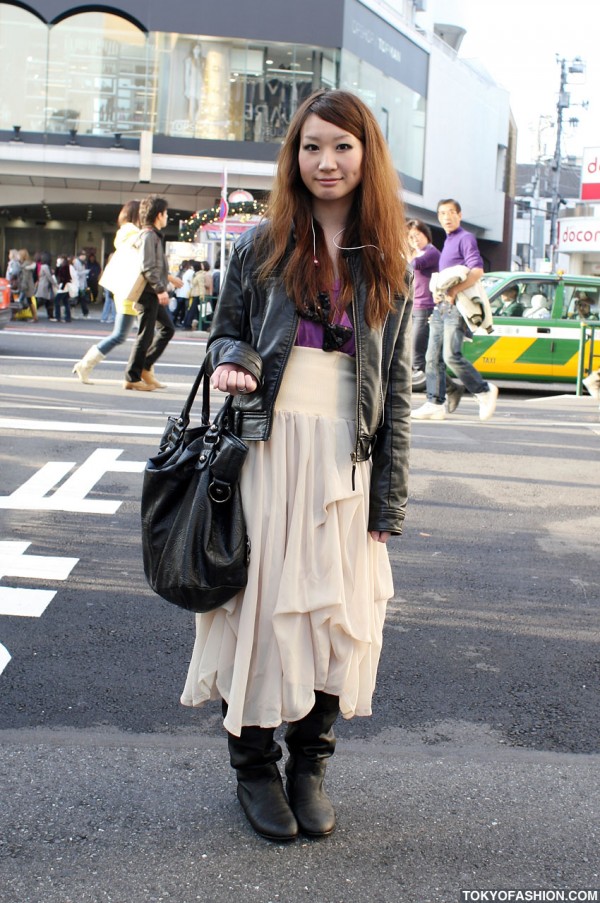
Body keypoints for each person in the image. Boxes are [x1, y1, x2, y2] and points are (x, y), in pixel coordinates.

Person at [180, 89, 412, 843]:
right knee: (259, 607)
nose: (326, 161)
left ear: (365, 154)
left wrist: (389, 500)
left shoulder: (390, 254)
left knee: (333, 613)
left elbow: (397, 391)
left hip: (346, 457)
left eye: (342, 146)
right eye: (312, 146)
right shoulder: (263, 242)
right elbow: (224, 336)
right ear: (295, 156)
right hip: (270, 449)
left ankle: (309, 764)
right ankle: (252, 766)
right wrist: (235, 362)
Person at [412, 198, 498, 421]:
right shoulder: (448, 241)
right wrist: (441, 293)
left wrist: (453, 292)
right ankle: (435, 403)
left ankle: (483, 389)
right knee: (432, 357)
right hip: (441, 306)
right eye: (442, 213)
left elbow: (477, 271)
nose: (446, 217)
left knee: (451, 356)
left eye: (451, 212)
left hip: (457, 306)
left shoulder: (465, 238)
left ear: (459, 215)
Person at [73, 201, 142, 384]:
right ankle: (86, 365)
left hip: (128, 290)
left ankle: (141, 374)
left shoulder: (126, 233)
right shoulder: (133, 234)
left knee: (145, 334)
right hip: (131, 291)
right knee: (122, 335)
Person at [123, 194, 175, 391]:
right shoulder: (148, 236)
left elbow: (154, 266)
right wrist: (161, 289)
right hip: (148, 293)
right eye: (166, 213)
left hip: (151, 292)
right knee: (145, 335)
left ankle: (144, 367)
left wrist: (169, 279)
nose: (167, 217)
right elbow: (147, 266)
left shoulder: (151, 235)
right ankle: (132, 376)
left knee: (167, 329)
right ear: (159, 215)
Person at [407, 218, 439, 388]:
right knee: (413, 348)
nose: (414, 240)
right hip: (414, 305)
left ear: (426, 234)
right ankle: (447, 387)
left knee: (417, 350)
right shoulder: (416, 253)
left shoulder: (431, 252)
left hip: (425, 307)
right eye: (411, 237)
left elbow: (414, 265)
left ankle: (430, 388)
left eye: (417, 235)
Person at [34, 251, 58, 320]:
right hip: (44, 287)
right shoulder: (45, 267)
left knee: (48, 301)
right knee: (42, 301)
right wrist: (55, 284)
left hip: (44, 286)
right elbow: (49, 277)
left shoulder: (43, 266)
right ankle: (32, 311)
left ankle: (50, 315)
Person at [16, 249, 38, 320]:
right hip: (28, 286)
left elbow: (25, 278)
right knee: (29, 301)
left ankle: (34, 317)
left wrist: (23, 287)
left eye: (19, 255)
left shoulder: (25, 265)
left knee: (26, 301)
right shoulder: (27, 264)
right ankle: (34, 317)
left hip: (26, 286)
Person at [54, 255, 72, 322]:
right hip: (64, 286)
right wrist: (57, 266)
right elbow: (56, 274)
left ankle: (57, 316)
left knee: (57, 301)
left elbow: (65, 278)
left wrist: (62, 287)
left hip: (63, 286)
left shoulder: (65, 267)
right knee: (65, 302)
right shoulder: (63, 266)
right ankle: (68, 317)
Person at [72, 250, 90, 318]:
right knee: (80, 299)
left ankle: (85, 313)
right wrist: (85, 271)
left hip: (82, 285)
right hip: (78, 284)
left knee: (80, 299)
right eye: (82, 255)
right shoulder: (77, 262)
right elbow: (76, 273)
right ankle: (85, 313)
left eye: (84, 255)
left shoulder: (83, 263)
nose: (84, 256)